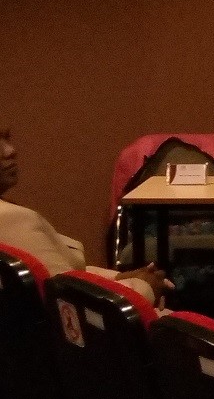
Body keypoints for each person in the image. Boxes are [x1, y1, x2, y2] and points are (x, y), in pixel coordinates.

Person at [0, 130, 171, 306]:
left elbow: (68, 275)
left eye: (7, 138)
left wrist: (122, 277)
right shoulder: (12, 218)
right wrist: (145, 287)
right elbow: (70, 300)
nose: (11, 150)